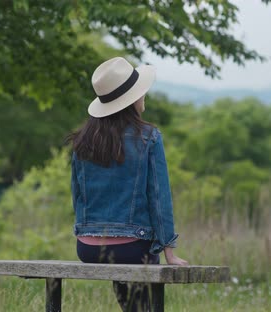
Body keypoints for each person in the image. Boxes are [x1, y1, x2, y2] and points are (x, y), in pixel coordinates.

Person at [67, 57, 188, 312]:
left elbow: (77, 195)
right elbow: (159, 197)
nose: (144, 97)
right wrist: (170, 252)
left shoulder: (83, 140)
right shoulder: (149, 137)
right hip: (132, 248)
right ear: (132, 99)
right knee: (135, 264)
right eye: (141, 92)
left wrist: (90, 232)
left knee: (128, 286)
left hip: (87, 248)